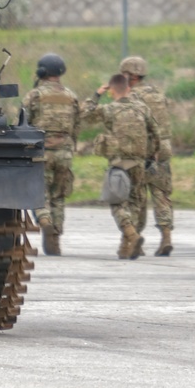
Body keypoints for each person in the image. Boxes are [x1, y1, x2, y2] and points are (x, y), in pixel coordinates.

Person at [83, 73, 159, 259]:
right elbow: (155, 134)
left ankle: (131, 235)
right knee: (135, 203)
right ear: (128, 88)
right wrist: (152, 157)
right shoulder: (143, 109)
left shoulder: (109, 110)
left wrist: (96, 94)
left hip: (118, 163)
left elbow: (85, 114)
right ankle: (127, 247)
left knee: (117, 202)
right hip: (139, 162)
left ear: (111, 91)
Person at [22, 53, 80, 256]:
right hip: (64, 152)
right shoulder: (71, 96)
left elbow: (24, 124)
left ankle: (44, 220)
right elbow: (76, 126)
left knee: (39, 193)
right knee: (59, 196)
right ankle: (55, 237)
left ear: (42, 72)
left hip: (41, 151)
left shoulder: (34, 95)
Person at [120, 56, 175, 256]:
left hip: (143, 151)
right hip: (164, 149)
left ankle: (137, 241)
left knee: (137, 197)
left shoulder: (131, 97)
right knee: (161, 195)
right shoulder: (158, 95)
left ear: (128, 75)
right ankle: (166, 237)